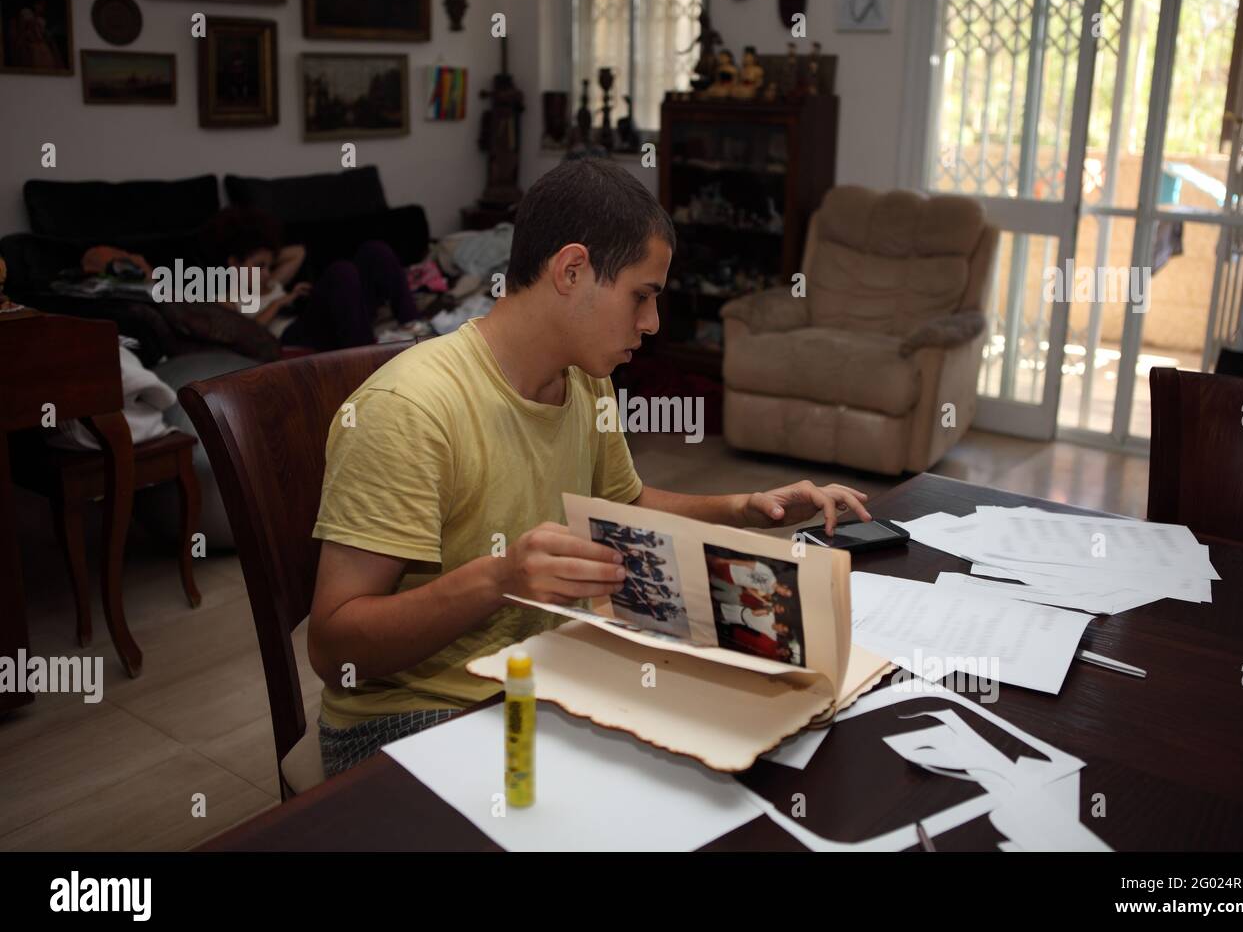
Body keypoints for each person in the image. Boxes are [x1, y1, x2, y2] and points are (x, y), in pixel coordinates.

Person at [306, 157, 871, 776]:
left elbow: (623, 507)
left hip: (541, 672)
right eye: (642, 296)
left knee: (746, 750)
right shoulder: (410, 410)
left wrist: (746, 508)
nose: (652, 324)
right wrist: (498, 579)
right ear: (571, 270)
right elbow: (335, 649)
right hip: (412, 718)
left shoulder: (584, 379)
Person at [199, 206, 428, 350]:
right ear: (233, 263)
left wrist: (263, 251)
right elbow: (246, 332)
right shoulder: (225, 298)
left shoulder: (270, 280)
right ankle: (365, 356)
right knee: (342, 271)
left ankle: (413, 325)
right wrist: (279, 303)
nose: (267, 272)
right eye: (259, 266)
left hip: (328, 322)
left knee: (374, 250)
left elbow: (298, 251)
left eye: (269, 265)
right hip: (292, 337)